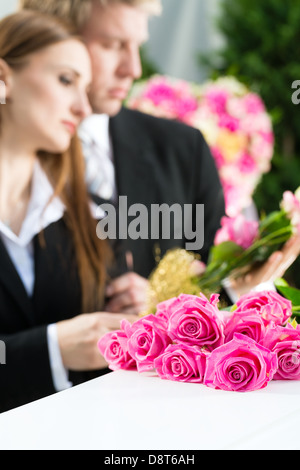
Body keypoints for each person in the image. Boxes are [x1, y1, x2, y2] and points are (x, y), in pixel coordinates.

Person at [19, 0, 300, 313]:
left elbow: (219, 285)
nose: (133, 69)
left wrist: (171, 304)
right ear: (53, 38)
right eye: (112, 45)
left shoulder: (182, 148)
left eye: (137, 45)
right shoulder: (14, 160)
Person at [0, 10, 137, 413]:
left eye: (86, 87)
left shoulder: (94, 217)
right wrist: (52, 349)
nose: (82, 107)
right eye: (66, 81)